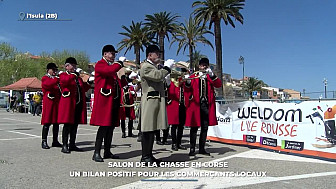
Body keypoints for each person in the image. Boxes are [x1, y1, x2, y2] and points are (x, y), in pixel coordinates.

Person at [139, 44, 174, 165]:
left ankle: (149, 155)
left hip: (155, 100)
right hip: (149, 101)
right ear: (149, 55)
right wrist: (167, 68)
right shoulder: (146, 66)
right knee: (148, 129)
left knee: (152, 129)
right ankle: (145, 157)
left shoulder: (154, 66)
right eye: (156, 53)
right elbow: (157, 76)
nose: (159, 55)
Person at [90, 45, 125, 162]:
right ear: (105, 54)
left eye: (114, 54)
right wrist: (119, 64)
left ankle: (107, 151)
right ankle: (96, 152)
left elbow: (119, 83)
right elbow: (108, 71)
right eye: (111, 53)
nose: (113, 55)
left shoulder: (111, 67)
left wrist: (125, 77)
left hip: (113, 100)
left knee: (110, 127)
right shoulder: (100, 64)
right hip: (104, 100)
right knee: (103, 127)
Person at [185, 58, 222, 156]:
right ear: (199, 66)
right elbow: (187, 90)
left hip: (206, 105)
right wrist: (188, 81)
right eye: (202, 65)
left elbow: (219, 84)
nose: (204, 67)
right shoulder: (194, 76)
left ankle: (202, 148)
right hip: (195, 105)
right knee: (194, 127)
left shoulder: (210, 77)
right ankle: (192, 148)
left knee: (205, 127)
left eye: (205, 65)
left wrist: (212, 75)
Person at [58, 57, 91, 153]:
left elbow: (83, 88)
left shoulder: (77, 78)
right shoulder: (63, 75)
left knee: (75, 125)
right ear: (67, 66)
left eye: (75, 65)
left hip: (78, 103)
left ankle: (72, 144)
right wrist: (74, 74)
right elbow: (65, 82)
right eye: (73, 65)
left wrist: (89, 82)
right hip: (68, 103)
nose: (75, 67)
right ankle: (64, 145)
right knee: (67, 125)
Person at [166, 62, 189, 151]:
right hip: (174, 106)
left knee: (181, 126)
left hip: (182, 106)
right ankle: (174, 143)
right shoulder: (171, 82)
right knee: (174, 126)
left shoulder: (182, 83)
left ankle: (179, 143)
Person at [40, 63, 62, 149]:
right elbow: (48, 85)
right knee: (47, 122)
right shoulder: (45, 78)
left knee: (56, 123)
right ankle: (44, 141)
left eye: (55, 70)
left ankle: (55, 140)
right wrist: (57, 79)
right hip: (48, 102)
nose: (55, 71)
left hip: (56, 102)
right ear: (48, 70)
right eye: (53, 70)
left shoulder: (56, 79)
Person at [120, 71, 137, 138]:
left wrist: (133, 94)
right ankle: (123, 132)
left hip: (130, 105)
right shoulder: (121, 88)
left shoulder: (131, 88)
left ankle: (130, 132)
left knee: (130, 119)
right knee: (123, 120)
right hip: (123, 106)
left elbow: (134, 95)